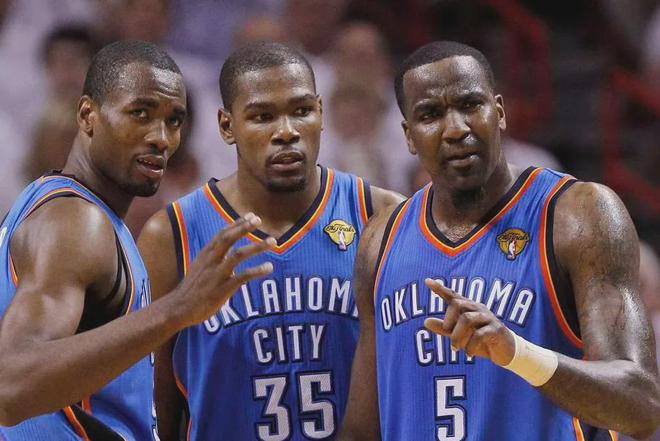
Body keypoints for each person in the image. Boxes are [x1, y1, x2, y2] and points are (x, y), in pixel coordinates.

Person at [338, 41, 660, 441]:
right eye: (430, 115)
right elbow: (361, 431)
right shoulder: (380, 241)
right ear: (409, 135)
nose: (456, 129)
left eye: (470, 105)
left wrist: (517, 353)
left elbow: (641, 405)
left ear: (500, 112)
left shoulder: (576, 215)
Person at [0, 40, 274, 440]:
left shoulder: (63, 207)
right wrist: (176, 309)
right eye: (140, 113)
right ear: (88, 115)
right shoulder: (76, 221)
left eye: (174, 121)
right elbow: (10, 384)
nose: (161, 138)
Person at [138, 41, 403, 441]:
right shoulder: (172, 235)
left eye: (302, 111)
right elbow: (152, 408)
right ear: (227, 126)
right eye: (262, 116)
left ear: (321, 112)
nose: (286, 132)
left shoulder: (380, 215)